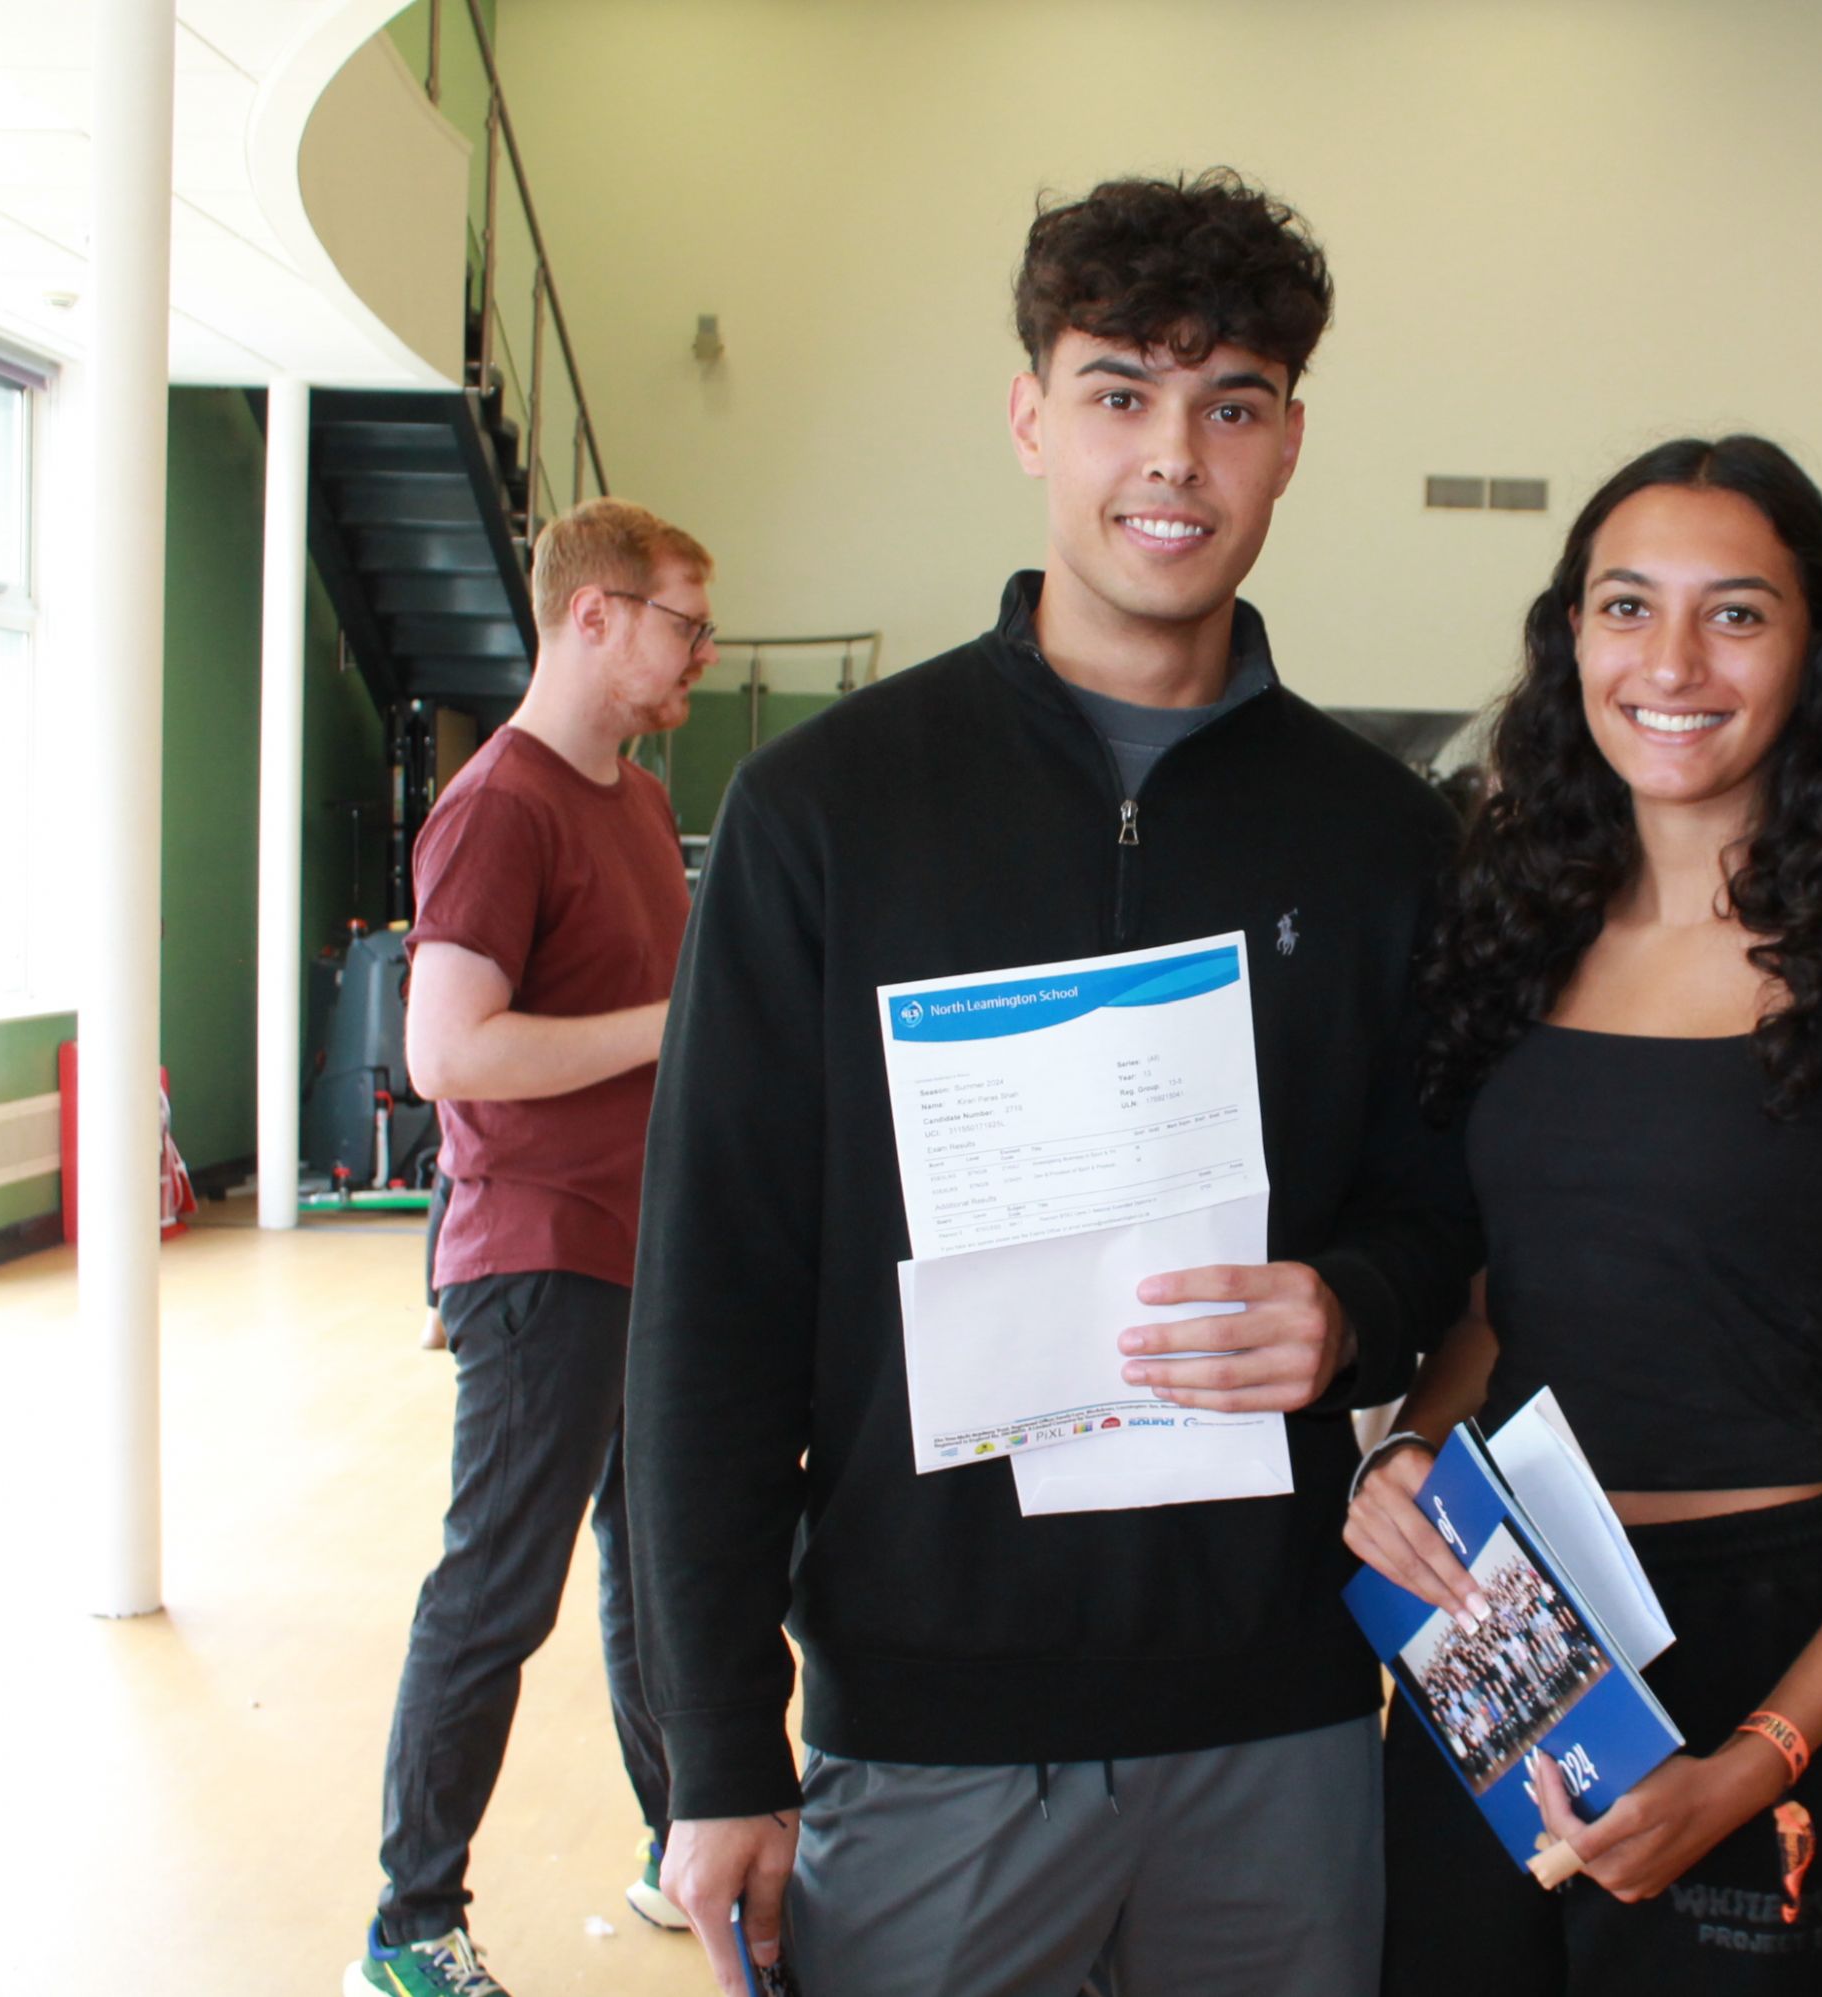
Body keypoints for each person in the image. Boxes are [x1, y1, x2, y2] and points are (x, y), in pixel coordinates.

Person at [621, 170, 1480, 1997]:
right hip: (924, 1732)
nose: (1172, 457)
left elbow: (1444, 1208)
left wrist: (1350, 1305)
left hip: (1276, 1718)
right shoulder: (824, 812)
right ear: (1030, 417)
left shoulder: (1384, 840)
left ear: (1289, 443)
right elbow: (710, 1301)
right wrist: (713, 1750)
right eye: (1118, 392)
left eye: (1228, 403)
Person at [1346, 434, 1822, 1993]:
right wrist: (1400, 1451)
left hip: (1757, 1634)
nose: (1669, 660)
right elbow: (1487, 1315)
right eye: (1622, 606)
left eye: (1733, 614)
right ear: (1568, 639)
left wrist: (1759, 1758)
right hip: (1499, 1627)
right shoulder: (1509, 924)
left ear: (1815, 651)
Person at [347, 498, 714, 1997]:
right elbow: (448, 1050)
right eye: (683, 623)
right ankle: (407, 1924)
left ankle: (676, 1839)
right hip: (539, 1254)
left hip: (640, 1246)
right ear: (594, 616)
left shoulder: (626, 797)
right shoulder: (500, 805)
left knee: (659, 1570)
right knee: (499, 1592)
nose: (699, 651)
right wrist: (676, 1032)